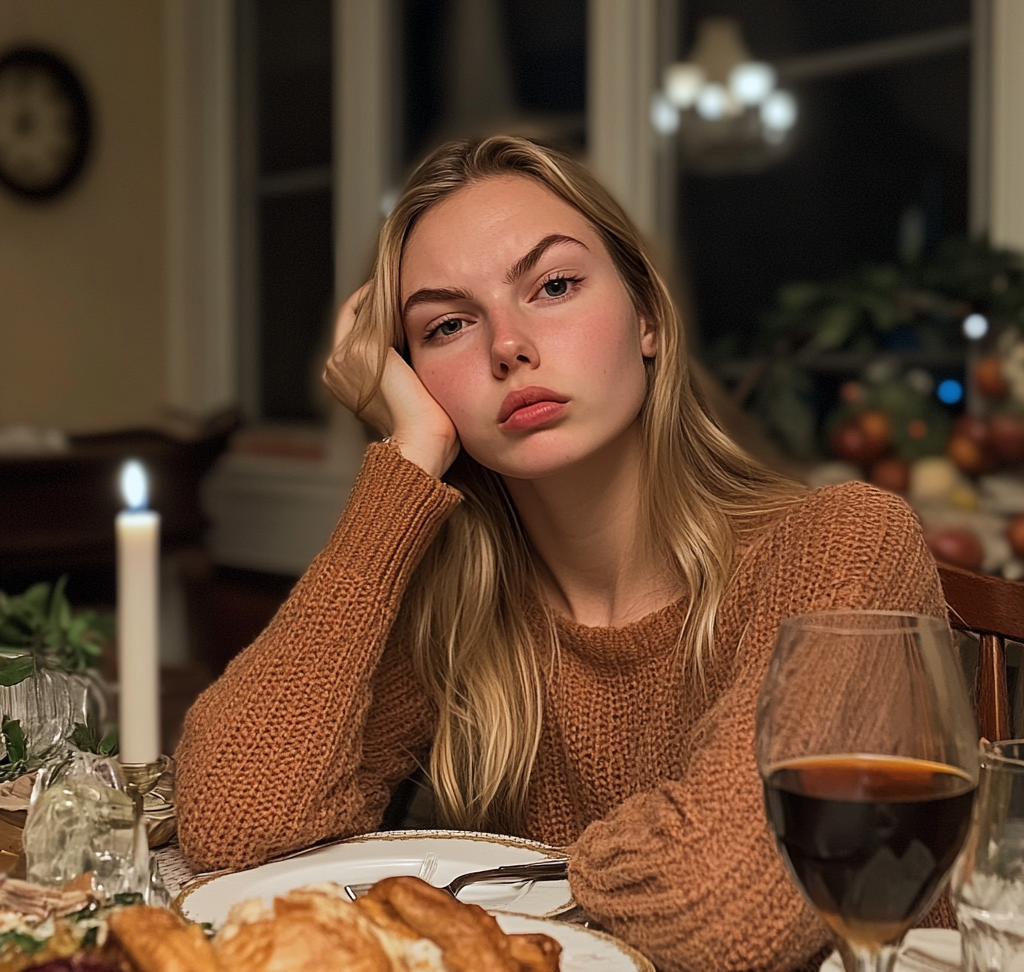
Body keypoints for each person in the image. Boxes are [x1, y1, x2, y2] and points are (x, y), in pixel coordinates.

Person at [175, 136, 949, 972]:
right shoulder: (465, 608)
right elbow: (231, 815)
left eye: (554, 285)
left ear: (648, 319)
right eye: (448, 325)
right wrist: (406, 461)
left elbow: (726, 912)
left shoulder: (842, 546)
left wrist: (552, 874)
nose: (507, 345)